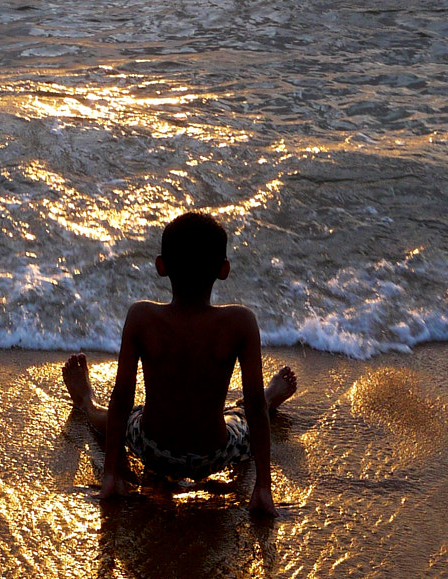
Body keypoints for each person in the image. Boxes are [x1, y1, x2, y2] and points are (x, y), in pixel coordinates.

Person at [61, 212, 296, 518]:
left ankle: (86, 401)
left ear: (161, 266)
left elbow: (122, 398)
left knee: (117, 414)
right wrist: (263, 488)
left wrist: (111, 475)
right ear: (224, 270)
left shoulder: (141, 317)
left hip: (153, 449)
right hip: (214, 454)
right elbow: (252, 405)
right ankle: (269, 398)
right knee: (247, 414)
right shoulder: (241, 322)